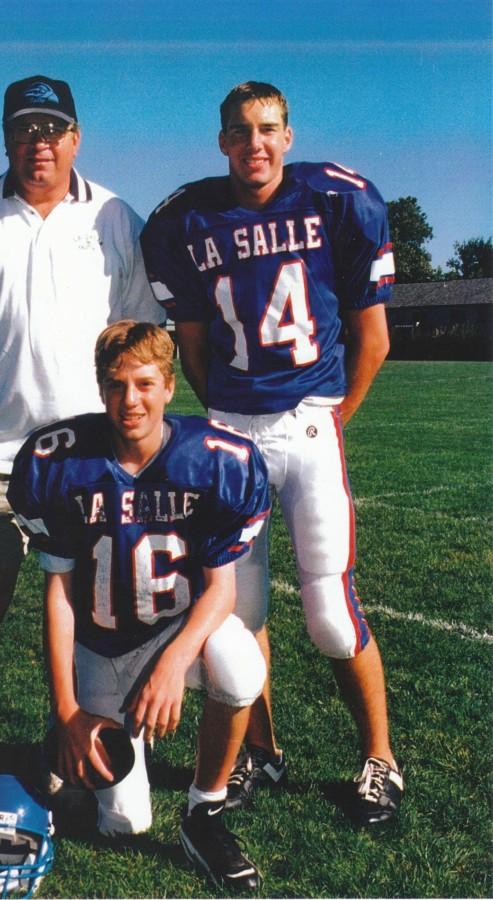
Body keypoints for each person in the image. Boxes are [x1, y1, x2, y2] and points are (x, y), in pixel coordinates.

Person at [140, 81, 402, 827]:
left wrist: (327, 416)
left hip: (307, 424)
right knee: (239, 612)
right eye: (237, 132)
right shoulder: (185, 220)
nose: (252, 144)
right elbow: (192, 348)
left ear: (286, 136)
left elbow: (372, 338)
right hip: (231, 431)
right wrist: (229, 417)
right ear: (220, 141)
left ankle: (379, 757)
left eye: (266, 130)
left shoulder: (335, 200)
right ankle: (262, 749)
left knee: (327, 611)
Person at [0, 75, 163, 839]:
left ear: (76, 138)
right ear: (6, 139)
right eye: (25, 130)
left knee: (98, 615)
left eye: (53, 129)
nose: (39, 143)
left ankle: (78, 751)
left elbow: (140, 333)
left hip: (92, 457)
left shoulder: (117, 216)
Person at [8, 320, 270, 892]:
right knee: (126, 824)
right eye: (117, 385)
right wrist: (68, 712)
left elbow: (221, 590)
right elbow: (58, 598)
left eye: (145, 384)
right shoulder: (60, 462)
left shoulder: (215, 458)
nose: (131, 400)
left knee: (242, 663)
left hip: (174, 629)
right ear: (101, 390)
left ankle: (205, 812)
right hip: (100, 645)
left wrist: (174, 664)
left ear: (170, 386)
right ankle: (62, 747)